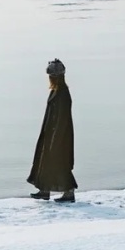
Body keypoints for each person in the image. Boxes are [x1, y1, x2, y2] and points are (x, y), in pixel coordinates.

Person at [27, 58, 78, 203]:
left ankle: (69, 192)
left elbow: (62, 119)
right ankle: (44, 190)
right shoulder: (56, 91)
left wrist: (56, 139)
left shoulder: (62, 93)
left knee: (60, 162)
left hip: (59, 135)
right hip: (51, 133)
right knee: (45, 161)